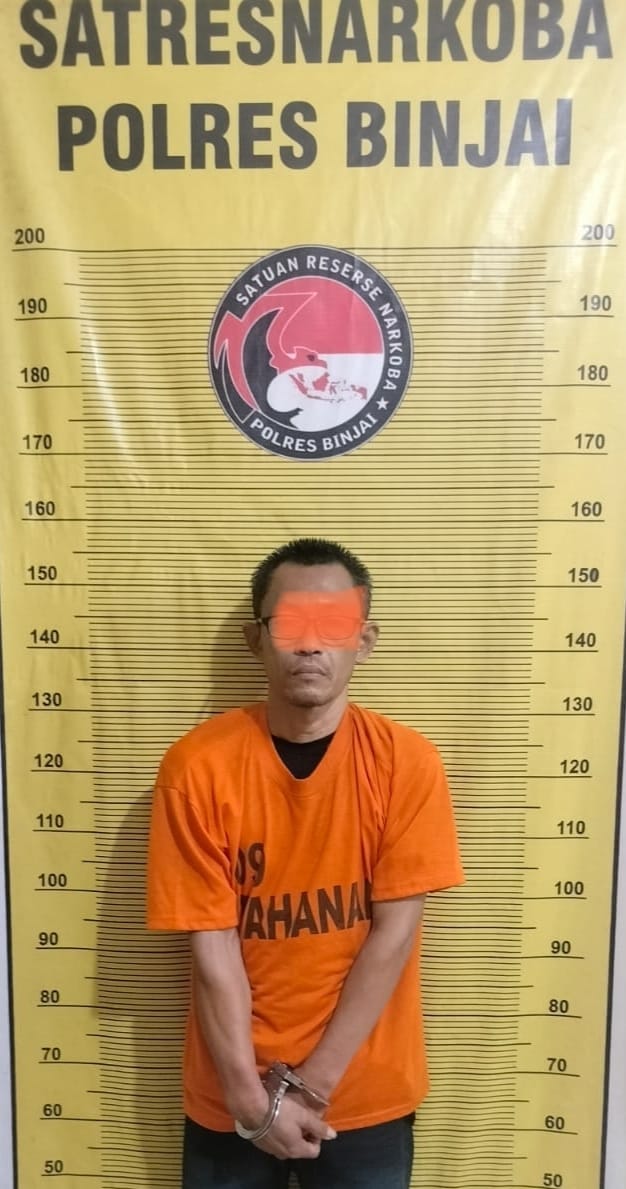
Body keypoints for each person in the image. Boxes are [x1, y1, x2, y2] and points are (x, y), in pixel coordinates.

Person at [147, 537, 463, 1189]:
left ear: (364, 640)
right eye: (291, 624)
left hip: (365, 1093)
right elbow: (212, 945)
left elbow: (394, 936)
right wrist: (250, 1102)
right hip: (229, 1094)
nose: (312, 644)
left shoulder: (407, 764)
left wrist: (311, 1088)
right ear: (255, 639)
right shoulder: (197, 767)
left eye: (334, 624)